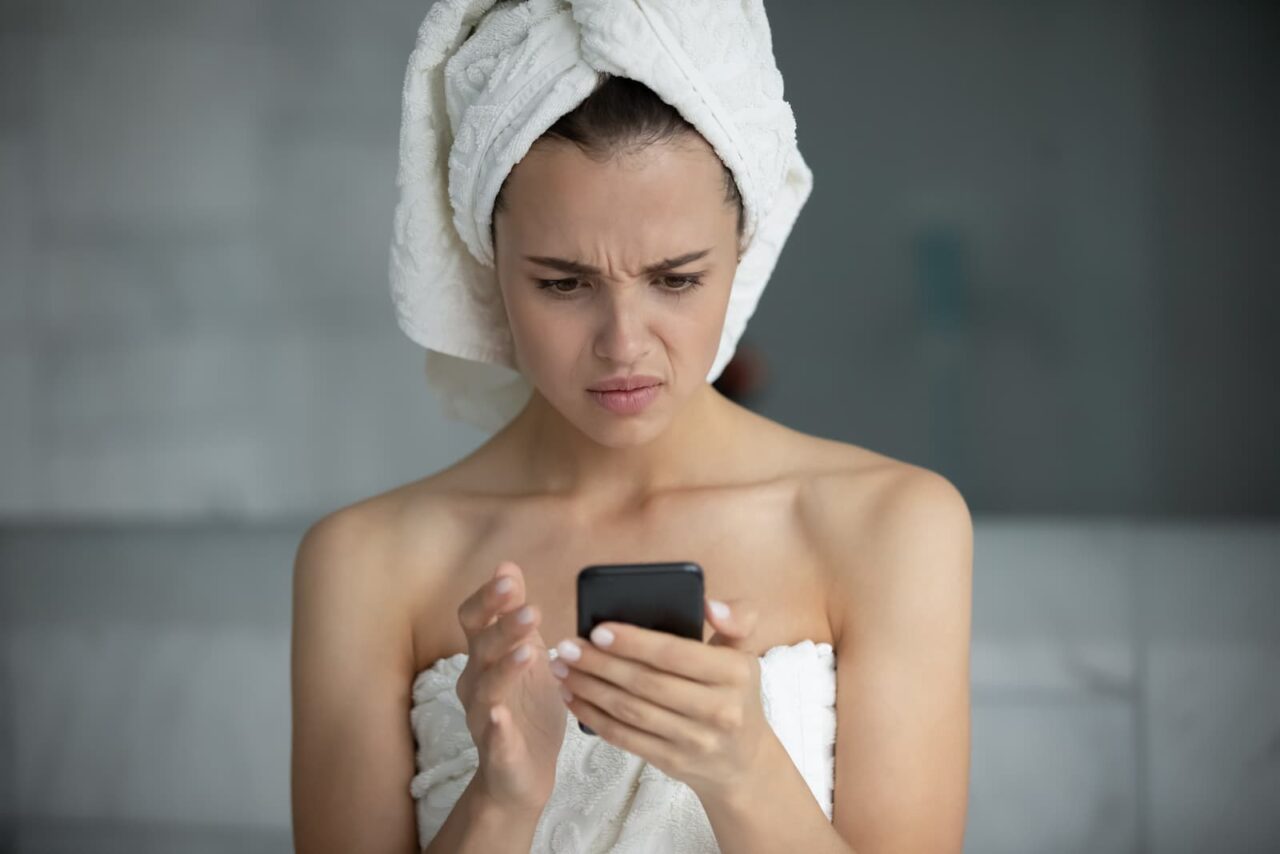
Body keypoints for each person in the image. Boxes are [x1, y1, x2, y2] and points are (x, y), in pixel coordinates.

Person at [291, 6, 972, 854]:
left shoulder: (892, 526)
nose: (623, 344)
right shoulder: (365, 562)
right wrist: (503, 799)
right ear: (487, 261)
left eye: (676, 279)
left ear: (744, 244)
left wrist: (746, 771)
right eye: (563, 283)